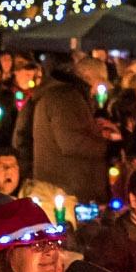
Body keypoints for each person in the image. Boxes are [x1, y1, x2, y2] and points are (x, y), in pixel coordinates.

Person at [25, 56, 118, 204]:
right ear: (87, 75)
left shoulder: (64, 95)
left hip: (63, 187)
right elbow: (72, 142)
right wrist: (109, 146)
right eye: (99, 81)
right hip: (69, 190)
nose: (97, 90)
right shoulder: (66, 97)